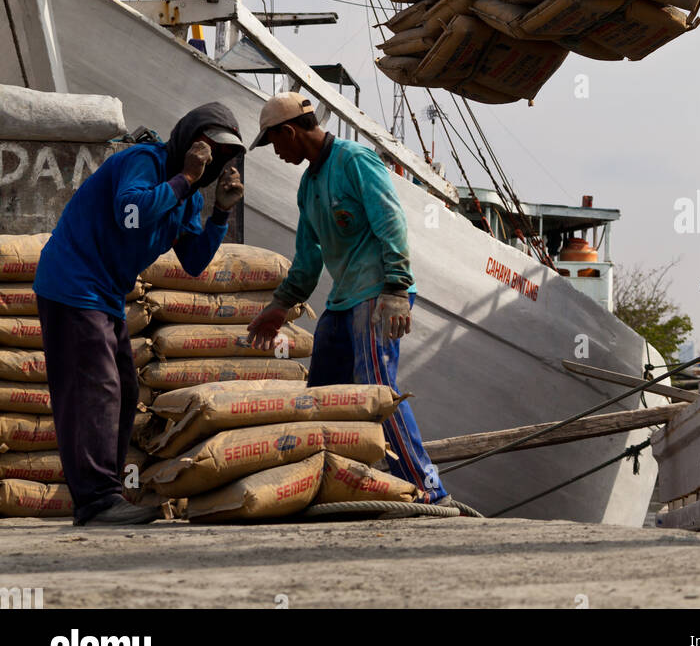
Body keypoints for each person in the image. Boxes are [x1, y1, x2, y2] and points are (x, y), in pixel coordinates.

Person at [34, 101, 245, 527]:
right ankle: (96, 499)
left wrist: (220, 211)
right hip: (72, 282)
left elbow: (193, 261)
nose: (213, 159)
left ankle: (102, 495)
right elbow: (130, 216)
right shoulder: (144, 161)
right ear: (188, 140)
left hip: (105, 293)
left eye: (222, 154)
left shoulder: (187, 200)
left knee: (125, 390)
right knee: (98, 386)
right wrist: (185, 177)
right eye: (208, 147)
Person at [245, 92, 449, 505]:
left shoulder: (355, 161)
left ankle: (432, 491)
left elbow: (390, 219)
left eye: (274, 143)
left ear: (289, 132)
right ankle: (338, 487)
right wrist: (280, 305)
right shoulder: (308, 184)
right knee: (323, 397)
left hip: (378, 295)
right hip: (342, 302)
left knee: (377, 391)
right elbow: (307, 257)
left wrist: (395, 287)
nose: (276, 152)